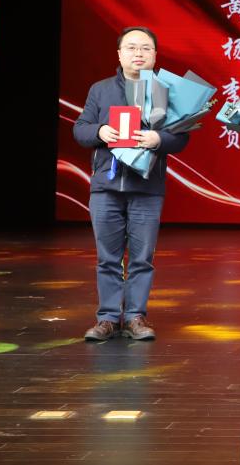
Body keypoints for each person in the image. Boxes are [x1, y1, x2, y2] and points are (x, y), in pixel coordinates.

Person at [74, 26, 190, 342]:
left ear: (155, 55)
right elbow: (80, 129)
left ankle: (136, 317)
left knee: (141, 258)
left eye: (145, 48)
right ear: (119, 54)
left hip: (147, 187)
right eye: (131, 47)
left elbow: (181, 137)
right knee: (107, 257)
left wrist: (158, 139)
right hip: (106, 186)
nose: (138, 53)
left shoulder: (165, 90)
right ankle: (108, 318)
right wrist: (100, 132)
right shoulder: (101, 89)